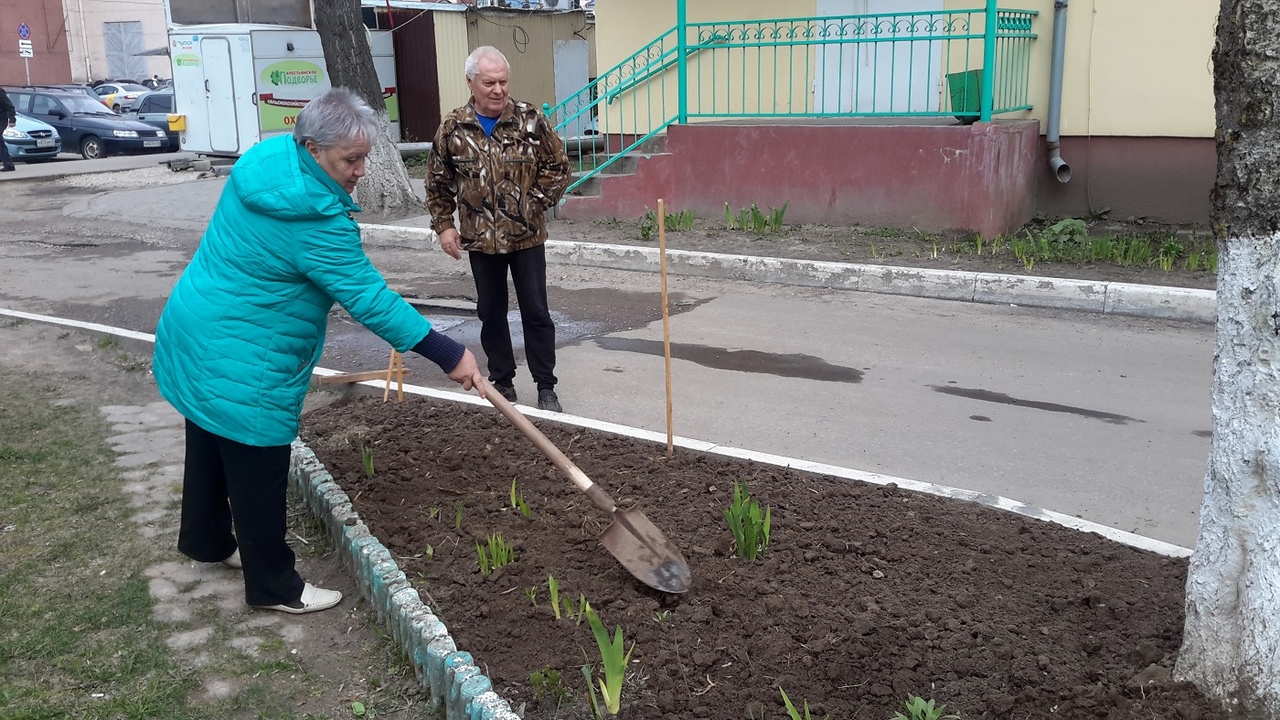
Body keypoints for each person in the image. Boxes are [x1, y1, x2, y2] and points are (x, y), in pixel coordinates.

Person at [152, 87, 485, 615]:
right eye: (350, 160)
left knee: (211, 432)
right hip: (245, 349)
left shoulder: (268, 159)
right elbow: (371, 300)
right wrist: (448, 353)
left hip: (196, 322)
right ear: (313, 147)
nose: (360, 171)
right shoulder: (313, 220)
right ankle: (274, 587)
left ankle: (207, 539)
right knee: (258, 460)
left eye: (364, 157)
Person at [427, 46, 571, 412]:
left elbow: (558, 167)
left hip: (526, 238)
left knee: (536, 311)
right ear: (471, 83)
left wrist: (531, 204)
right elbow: (437, 182)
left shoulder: (530, 120)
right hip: (479, 239)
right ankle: (503, 381)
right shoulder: (453, 127)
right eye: (489, 83)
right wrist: (444, 226)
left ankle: (546, 386)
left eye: (503, 82)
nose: (498, 90)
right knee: (491, 313)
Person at [1, 87, 16, 172]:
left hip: (1, 120)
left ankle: (8, 164)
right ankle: (8, 164)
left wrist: (12, 119)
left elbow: (9, 106)